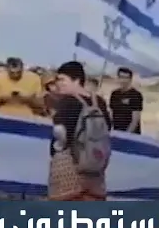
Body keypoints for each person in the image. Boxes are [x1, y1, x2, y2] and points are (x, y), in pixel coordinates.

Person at [47, 61, 112, 203]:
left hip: (70, 167)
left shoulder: (67, 102)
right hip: (95, 166)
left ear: (76, 80)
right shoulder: (99, 102)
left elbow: (60, 134)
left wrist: (55, 150)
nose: (58, 84)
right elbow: (108, 127)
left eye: (62, 79)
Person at [108, 66, 144, 135]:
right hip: (117, 132)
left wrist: (126, 135)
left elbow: (135, 120)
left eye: (126, 78)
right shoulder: (114, 94)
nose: (123, 80)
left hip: (131, 135)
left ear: (130, 79)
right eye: (121, 77)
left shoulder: (136, 95)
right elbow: (111, 114)